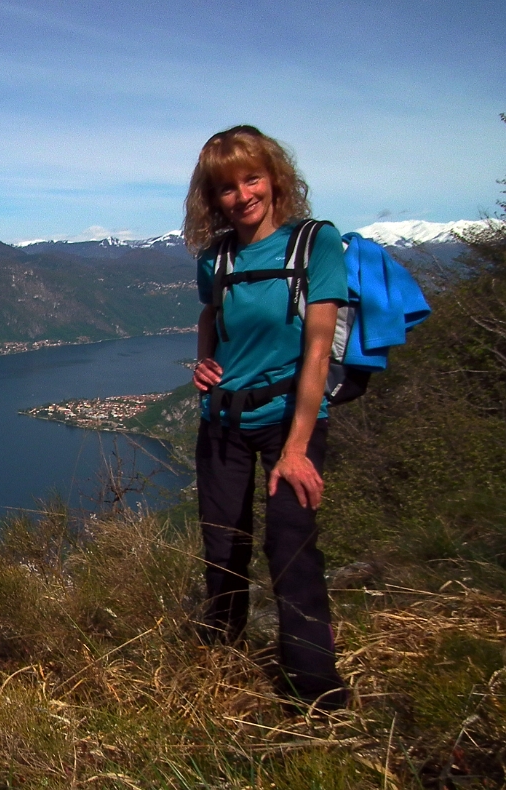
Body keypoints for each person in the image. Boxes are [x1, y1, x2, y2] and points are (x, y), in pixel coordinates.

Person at [183, 125, 350, 709]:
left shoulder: (315, 244)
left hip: (289, 419)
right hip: (224, 419)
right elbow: (211, 316)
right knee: (222, 543)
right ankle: (220, 660)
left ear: (275, 177)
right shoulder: (216, 258)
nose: (242, 195)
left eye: (251, 178)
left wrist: (298, 448)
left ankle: (315, 691)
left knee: (290, 544)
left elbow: (318, 348)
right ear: (213, 197)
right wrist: (205, 361)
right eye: (226, 187)